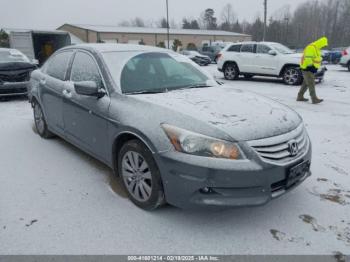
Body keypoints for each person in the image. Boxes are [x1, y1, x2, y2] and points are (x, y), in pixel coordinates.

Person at [297, 36, 328, 104]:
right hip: (308, 68)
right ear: (321, 43)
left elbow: (316, 58)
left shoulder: (316, 48)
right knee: (311, 83)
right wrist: (311, 67)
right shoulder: (311, 47)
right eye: (323, 45)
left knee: (306, 83)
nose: (323, 47)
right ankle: (314, 99)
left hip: (310, 68)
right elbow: (308, 58)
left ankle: (300, 96)